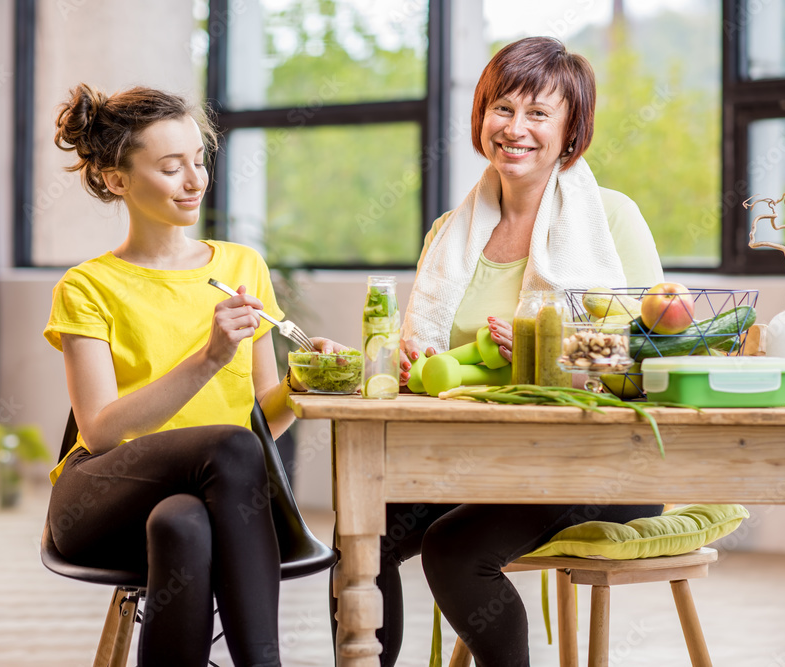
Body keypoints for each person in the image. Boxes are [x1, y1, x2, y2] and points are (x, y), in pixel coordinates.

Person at [329, 37, 665, 666]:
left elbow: (653, 354)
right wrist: (408, 363)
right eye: (502, 109)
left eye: (539, 113)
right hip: (481, 455)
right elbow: (431, 349)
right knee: (357, 537)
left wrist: (556, 350)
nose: (516, 128)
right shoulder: (450, 232)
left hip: (597, 459)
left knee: (454, 549)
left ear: (571, 130)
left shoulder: (612, 219)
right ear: (481, 116)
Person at [44, 83, 344, 667]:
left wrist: (304, 380)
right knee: (230, 451)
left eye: (199, 160)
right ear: (116, 179)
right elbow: (102, 434)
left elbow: (263, 420)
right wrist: (208, 358)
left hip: (207, 497)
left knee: (183, 523)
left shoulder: (240, 266)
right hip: (103, 493)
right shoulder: (88, 286)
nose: (195, 180)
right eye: (170, 166)